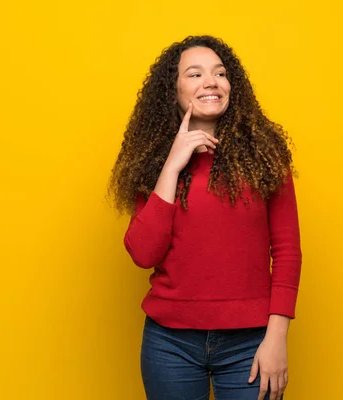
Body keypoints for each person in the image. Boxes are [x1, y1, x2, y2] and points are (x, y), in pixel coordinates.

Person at [108, 35, 302, 400]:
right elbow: (143, 254)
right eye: (194, 74)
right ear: (173, 91)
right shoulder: (153, 163)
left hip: (250, 342)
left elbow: (288, 251)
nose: (211, 82)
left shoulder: (265, 155)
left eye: (220, 73)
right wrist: (172, 164)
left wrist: (277, 338)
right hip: (170, 344)